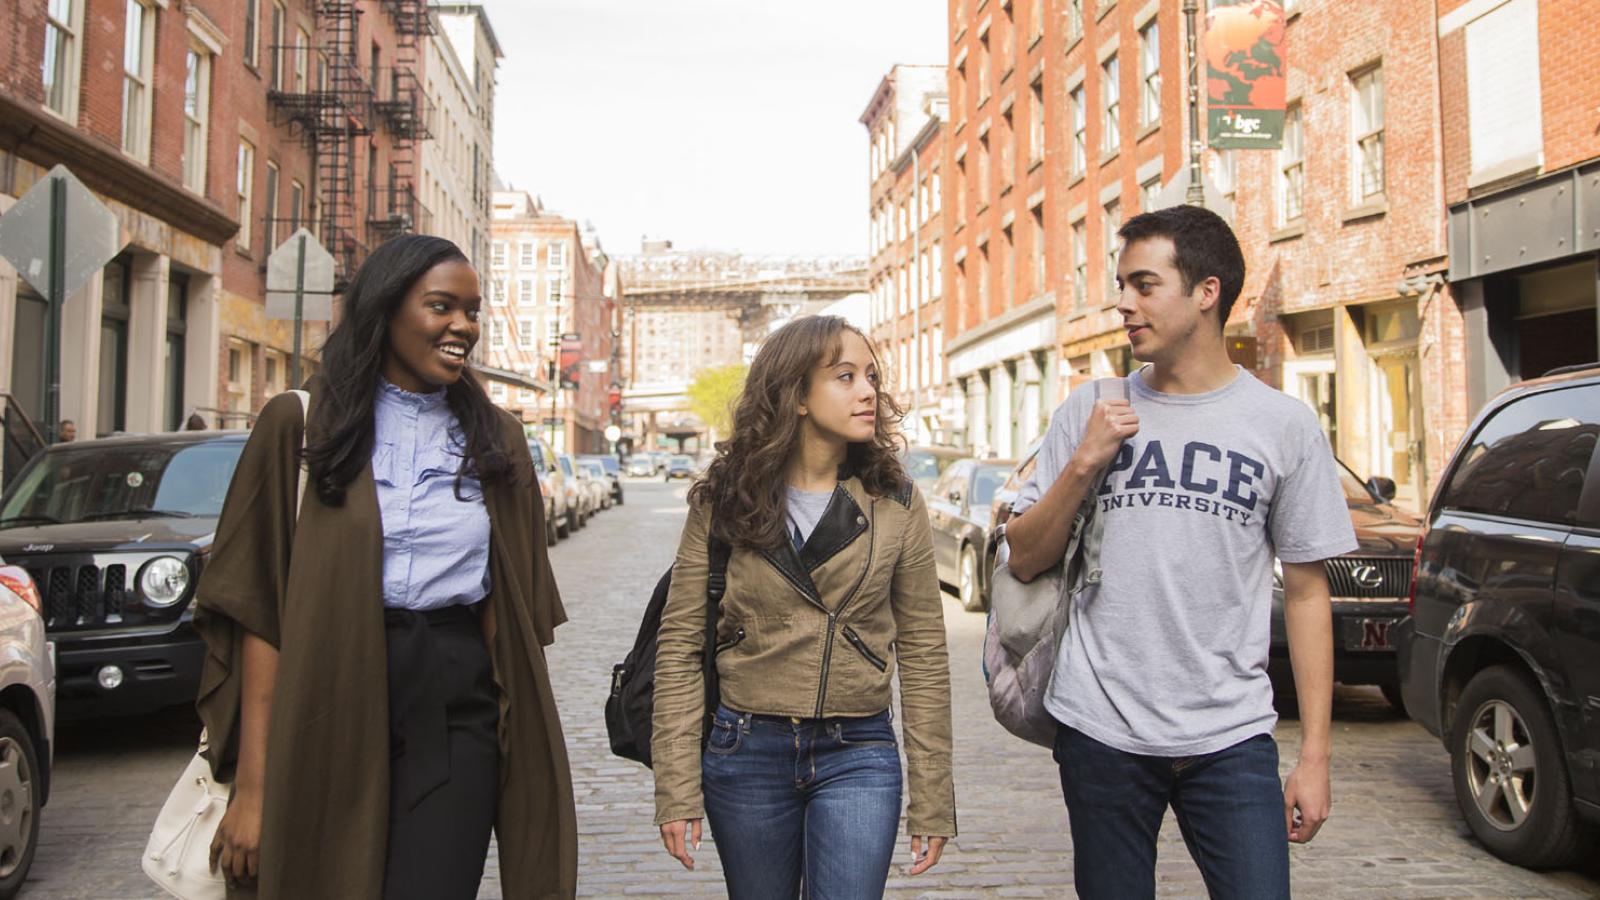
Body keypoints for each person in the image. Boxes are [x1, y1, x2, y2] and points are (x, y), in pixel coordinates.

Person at [193, 234, 578, 900]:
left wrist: (520, 747)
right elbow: (260, 613)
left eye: (473, 311)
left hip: (454, 705)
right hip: (323, 694)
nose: (464, 326)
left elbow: (505, 611)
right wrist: (254, 789)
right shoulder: (298, 425)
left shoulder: (497, 439)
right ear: (387, 308)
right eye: (441, 307)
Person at [1005, 205, 1356, 899]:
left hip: (1231, 735)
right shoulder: (1088, 409)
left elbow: (1310, 593)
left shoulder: (1282, 425)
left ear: (1206, 292)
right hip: (1099, 728)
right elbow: (1022, 558)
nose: (1123, 303)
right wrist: (1084, 463)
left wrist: (1314, 755)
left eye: (1144, 284)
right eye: (1121, 284)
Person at [653, 315, 956, 898]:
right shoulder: (725, 500)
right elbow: (681, 643)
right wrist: (676, 786)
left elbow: (923, 653)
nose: (868, 391)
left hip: (858, 752)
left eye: (871, 376)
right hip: (745, 750)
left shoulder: (895, 502)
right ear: (794, 394)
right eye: (845, 376)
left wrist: (934, 796)